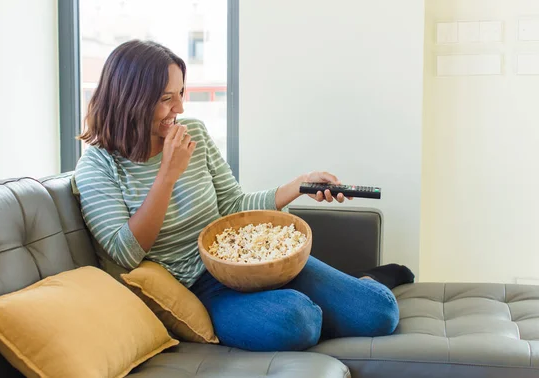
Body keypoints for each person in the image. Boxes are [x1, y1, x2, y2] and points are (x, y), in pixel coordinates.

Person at [72, 40, 413, 352]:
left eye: (180, 92)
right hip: (203, 288)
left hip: (250, 261)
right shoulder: (97, 166)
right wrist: (167, 175)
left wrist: (301, 183)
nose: (180, 105)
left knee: (380, 312)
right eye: (166, 98)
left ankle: (365, 280)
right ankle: (313, 299)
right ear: (130, 99)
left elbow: (234, 207)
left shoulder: (195, 135)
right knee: (299, 321)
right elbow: (124, 253)